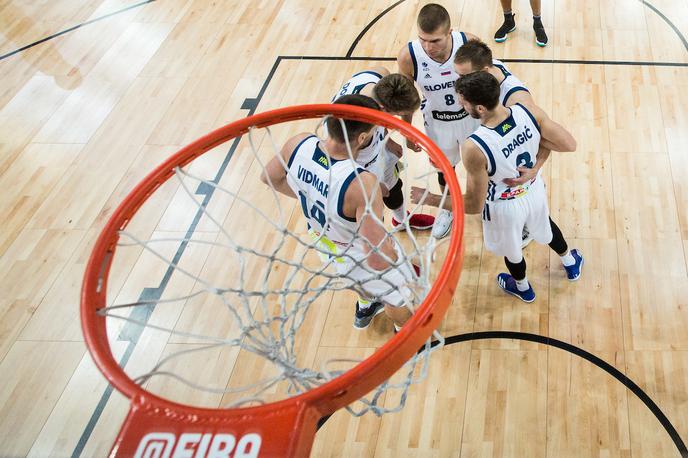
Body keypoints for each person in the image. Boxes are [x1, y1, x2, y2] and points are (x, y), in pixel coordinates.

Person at [411, 72, 583, 302]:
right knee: (546, 226)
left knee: (512, 251)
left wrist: (431, 199)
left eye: (464, 103)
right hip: (533, 191)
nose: (461, 106)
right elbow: (566, 143)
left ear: (480, 108)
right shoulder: (527, 110)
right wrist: (536, 166)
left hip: (504, 207)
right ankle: (570, 263)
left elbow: (474, 205)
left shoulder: (475, 147)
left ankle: (522, 288)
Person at [261, 94, 415, 330]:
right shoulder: (363, 184)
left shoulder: (299, 142)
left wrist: (315, 197)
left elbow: (269, 177)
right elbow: (376, 258)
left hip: (324, 241)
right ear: (362, 137)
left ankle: (367, 303)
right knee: (397, 294)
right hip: (355, 251)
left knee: (358, 279)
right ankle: (408, 334)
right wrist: (396, 260)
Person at [454, 38, 552, 246]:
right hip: (495, 153)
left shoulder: (518, 98)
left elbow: (552, 138)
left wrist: (535, 168)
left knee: (510, 243)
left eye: (464, 76)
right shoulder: (484, 69)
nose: (459, 81)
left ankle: (526, 226)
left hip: (515, 177)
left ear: (485, 71)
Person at [397, 3, 479, 239]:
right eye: (423, 39)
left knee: (482, 166)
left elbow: (488, 82)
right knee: (445, 170)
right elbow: (407, 96)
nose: (427, 47)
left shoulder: (469, 43)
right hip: (438, 122)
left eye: (435, 41)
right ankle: (448, 208)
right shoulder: (408, 56)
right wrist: (407, 129)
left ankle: (485, 203)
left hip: (471, 119)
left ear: (450, 32)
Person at [331, 67, 435, 232]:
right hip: (353, 157)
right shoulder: (353, 129)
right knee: (371, 203)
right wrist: (374, 185)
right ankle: (377, 242)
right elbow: (340, 163)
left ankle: (401, 220)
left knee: (393, 186)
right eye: (398, 115)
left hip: (371, 140)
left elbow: (384, 119)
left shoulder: (379, 76)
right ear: (384, 110)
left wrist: (389, 142)